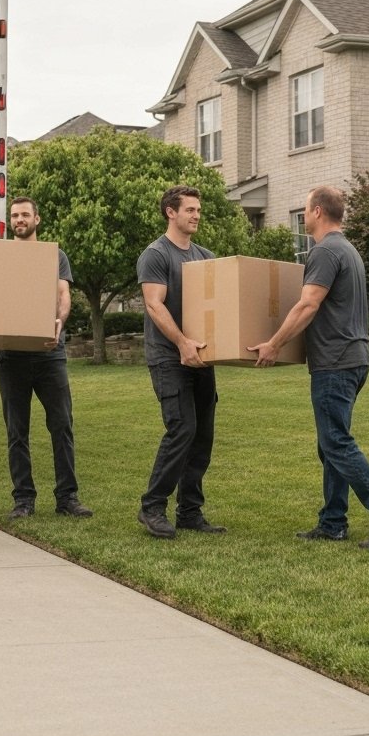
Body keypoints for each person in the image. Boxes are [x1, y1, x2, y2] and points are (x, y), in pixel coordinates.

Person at [248, 185, 369, 550]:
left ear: (319, 211)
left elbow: (308, 305)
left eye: (305, 210)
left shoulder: (324, 251)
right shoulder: (348, 250)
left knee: (337, 442)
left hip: (335, 362)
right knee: (331, 444)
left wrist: (274, 344)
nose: (304, 216)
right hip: (353, 358)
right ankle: (333, 522)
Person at [136, 185, 225, 539]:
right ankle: (152, 506)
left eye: (198, 209)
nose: (197, 214)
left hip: (202, 358)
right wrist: (182, 343)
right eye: (190, 209)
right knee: (182, 429)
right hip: (169, 357)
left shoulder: (204, 256)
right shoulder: (156, 254)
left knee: (202, 435)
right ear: (171, 212)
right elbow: (154, 304)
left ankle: (189, 511)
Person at [0, 197, 92, 520]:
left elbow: (63, 294)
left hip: (50, 353)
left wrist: (59, 323)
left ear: (37, 218)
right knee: (16, 431)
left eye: (25, 215)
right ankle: (23, 499)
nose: (19, 219)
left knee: (62, 425)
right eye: (14, 215)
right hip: (11, 356)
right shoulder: (2, 256)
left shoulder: (55, 256)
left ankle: (68, 497)